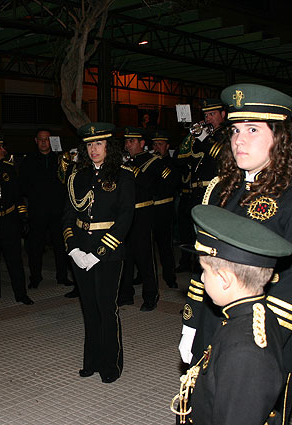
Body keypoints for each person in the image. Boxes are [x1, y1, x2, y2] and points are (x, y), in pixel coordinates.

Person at [178, 84, 292, 423]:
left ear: (279, 137)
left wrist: (257, 342)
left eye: (252, 130)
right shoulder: (220, 189)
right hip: (214, 325)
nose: (239, 140)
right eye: (234, 130)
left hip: (269, 338)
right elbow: (206, 263)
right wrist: (191, 324)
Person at [174, 204, 292, 425]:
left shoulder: (245, 351)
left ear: (225, 280)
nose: (201, 279)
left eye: (205, 271)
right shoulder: (248, 315)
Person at [62, 122, 135, 383]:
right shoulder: (77, 176)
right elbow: (69, 215)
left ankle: (111, 364)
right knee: (88, 309)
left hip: (108, 252)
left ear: (109, 146)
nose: (94, 149)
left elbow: (125, 218)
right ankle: (90, 361)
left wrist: (99, 253)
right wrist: (73, 249)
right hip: (80, 249)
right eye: (90, 144)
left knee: (106, 308)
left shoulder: (123, 175)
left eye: (99, 144)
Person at [118, 126, 171, 311]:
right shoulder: (124, 162)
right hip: (125, 214)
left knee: (145, 256)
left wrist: (132, 169)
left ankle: (150, 296)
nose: (127, 145)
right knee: (125, 256)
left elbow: (150, 185)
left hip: (143, 213)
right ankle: (126, 295)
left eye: (131, 141)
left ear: (141, 143)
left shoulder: (152, 161)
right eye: (126, 141)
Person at [175, 99, 229, 273]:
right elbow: (181, 157)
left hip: (215, 191)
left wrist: (204, 138)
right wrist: (192, 135)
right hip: (197, 193)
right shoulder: (205, 136)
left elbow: (221, 155)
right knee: (197, 237)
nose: (207, 119)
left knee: (212, 237)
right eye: (205, 115)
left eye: (212, 114)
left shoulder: (227, 134)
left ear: (223, 115)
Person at [0, 130, 33, 305]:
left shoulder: (8, 169)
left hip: (9, 220)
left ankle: (21, 293)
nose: (3, 150)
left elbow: (17, 195)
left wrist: (22, 217)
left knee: (15, 260)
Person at [19, 128, 72, 288]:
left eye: (47, 139)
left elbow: (67, 182)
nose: (43, 142)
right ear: (36, 141)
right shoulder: (29, 160)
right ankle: (35, 277)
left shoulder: (60, 159)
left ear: (52, 140)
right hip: (37, 211)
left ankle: (62, 276)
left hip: (57, 211)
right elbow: (22, 185)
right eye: (40, 139)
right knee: (35, 247)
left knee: (60, 246)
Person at [151, 130, 181, 288]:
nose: (156, 147)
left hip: (164, 208)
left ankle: (170, 277)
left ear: (167, 146)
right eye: (154, 144)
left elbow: (172, 182)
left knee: (165, 247)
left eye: (160, 145)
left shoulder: (171, 163)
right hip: (149, 209)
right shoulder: (150, 161)